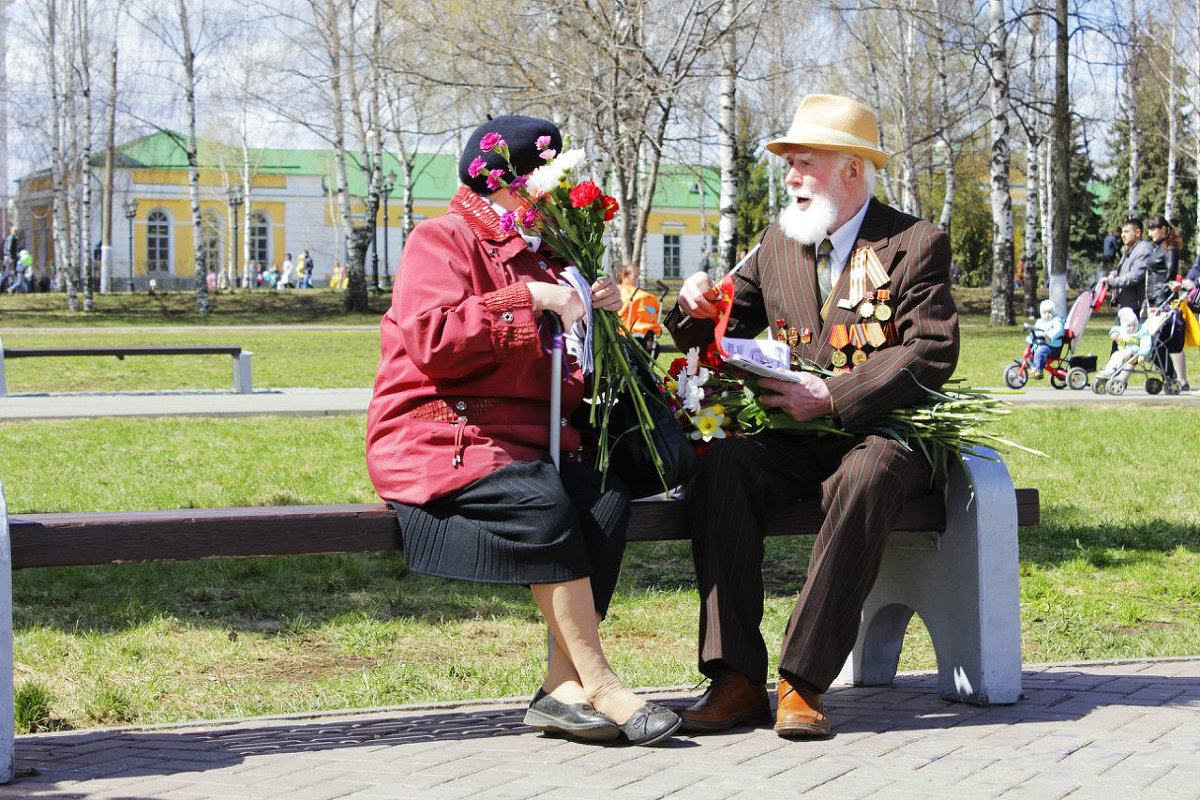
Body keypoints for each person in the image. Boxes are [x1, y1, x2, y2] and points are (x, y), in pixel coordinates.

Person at [366, 114, 681, 747]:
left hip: (527, 443)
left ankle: (559, 689)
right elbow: (431, 340)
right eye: (545, 183)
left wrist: (597, 320)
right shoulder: (441, 238)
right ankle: (603, 683)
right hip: (438, 436)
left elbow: (566, 375)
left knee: (607, 499)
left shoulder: (546, 252)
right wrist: (528, 299)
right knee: (542, 502)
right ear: (504, 182)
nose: (554, 199)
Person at [664, 94, 958, 739]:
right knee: (726, 463)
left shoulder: (914, 242)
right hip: (794, 440)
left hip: (884, 432)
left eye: (805, 163)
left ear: (852, 169)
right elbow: (719, 331)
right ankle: (735, 678)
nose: (791, 177)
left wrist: (835, 396)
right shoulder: (779, 242)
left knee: (870, 472)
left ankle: (803, 678)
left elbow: (932, 349)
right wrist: (691, 306)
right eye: (788, 164)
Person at [1145, 216, 1188, 391]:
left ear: (1163, 229)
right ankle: (1170, 377)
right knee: (1149, 343)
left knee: (1156, 343)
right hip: (1152, 301)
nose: (1150, 233)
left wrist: (1160, 303)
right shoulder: (1157, 249)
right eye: (1149, 229)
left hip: (1163, 303)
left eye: (1153, 229)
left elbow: (1170, 279)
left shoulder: (1169, 250)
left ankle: (1174, 378)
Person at [1102, 218, 1153, 315]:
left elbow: (1134, 277)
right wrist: (1111, 275)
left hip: (1135, 308)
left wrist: (1112, 281)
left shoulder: (1144, 250)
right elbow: (1123, 271)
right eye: (1122, 232)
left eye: (1126, 231)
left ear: (1137, 233)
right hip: (1125, 306)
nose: (1122, 235)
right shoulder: (1130, 249)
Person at [617, 263, 662, 356]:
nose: (637, 278)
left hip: (636, 335)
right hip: (627, 336)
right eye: (635, 276)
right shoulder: (620, 292)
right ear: (624, 275)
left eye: (638, 276)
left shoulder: (639, 295)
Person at [1096, 306, 1151, 381]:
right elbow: (1115, 329)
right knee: (1116, 356)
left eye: (1134, 325)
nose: (1132, 328)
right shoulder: (1123, 329)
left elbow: (1146, 343)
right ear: (1124, 326)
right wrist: (1114, 333)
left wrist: (1142, 354)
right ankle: (1109, 370)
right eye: (1129, 326)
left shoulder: (1142, 331)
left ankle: (1110, 371)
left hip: (1135, 353)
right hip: (1125, 354)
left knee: (1118, 355)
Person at [1027, 299, 1065, 379]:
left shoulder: (1057, 320)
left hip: (1053, 346)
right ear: (1041, 313)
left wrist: (1049, 336)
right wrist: (1030, 337)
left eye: (1050, 312)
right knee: (1031, 351)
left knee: (1040, 351)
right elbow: (1035, 331)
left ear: (1053, 312)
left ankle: (1038, 370)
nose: (1047, 315)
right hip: (1040, 344)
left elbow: (1058, 330)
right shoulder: (1040, 322)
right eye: (1045, 313)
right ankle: (1034, 367)